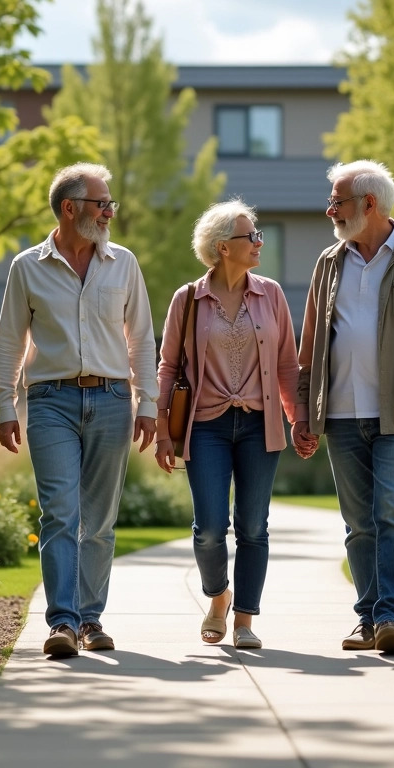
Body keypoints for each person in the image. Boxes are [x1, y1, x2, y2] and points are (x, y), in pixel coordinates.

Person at [0, 162, 158, 658]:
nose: (109, 212)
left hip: (110, 399)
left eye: (109, 204)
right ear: (70, 208)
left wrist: (147, 402)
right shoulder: (27, 267)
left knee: (99, 520)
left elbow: (142, 338)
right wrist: (3, 405)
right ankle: (62, 623)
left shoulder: (123, 263)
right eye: (101, 204)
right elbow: (8, 341)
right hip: (50, 401)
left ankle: (90, 620)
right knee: (60, 513)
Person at [292, 160, 394, 655]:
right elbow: (310, 348)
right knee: (358, 521)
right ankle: (366, 619)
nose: (330, 210)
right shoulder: (329, 262)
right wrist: (304, 412)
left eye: (338, 202)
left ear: (368, 204)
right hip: (341, 415)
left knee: (390, 509)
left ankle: (391, 617)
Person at [155, 199, 303, 650]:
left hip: (260, 426)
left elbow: (287, 365)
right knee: (209, 528)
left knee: (254, 527)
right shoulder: (188, 299)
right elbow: (168, 366)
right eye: (250, 236)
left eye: (259, 235)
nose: (259, 242)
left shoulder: (271, 294)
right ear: (222, 247)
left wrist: (299, 420)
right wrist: (163, 431)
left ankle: (244, 620)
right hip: (207, 426)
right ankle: (218, 598)